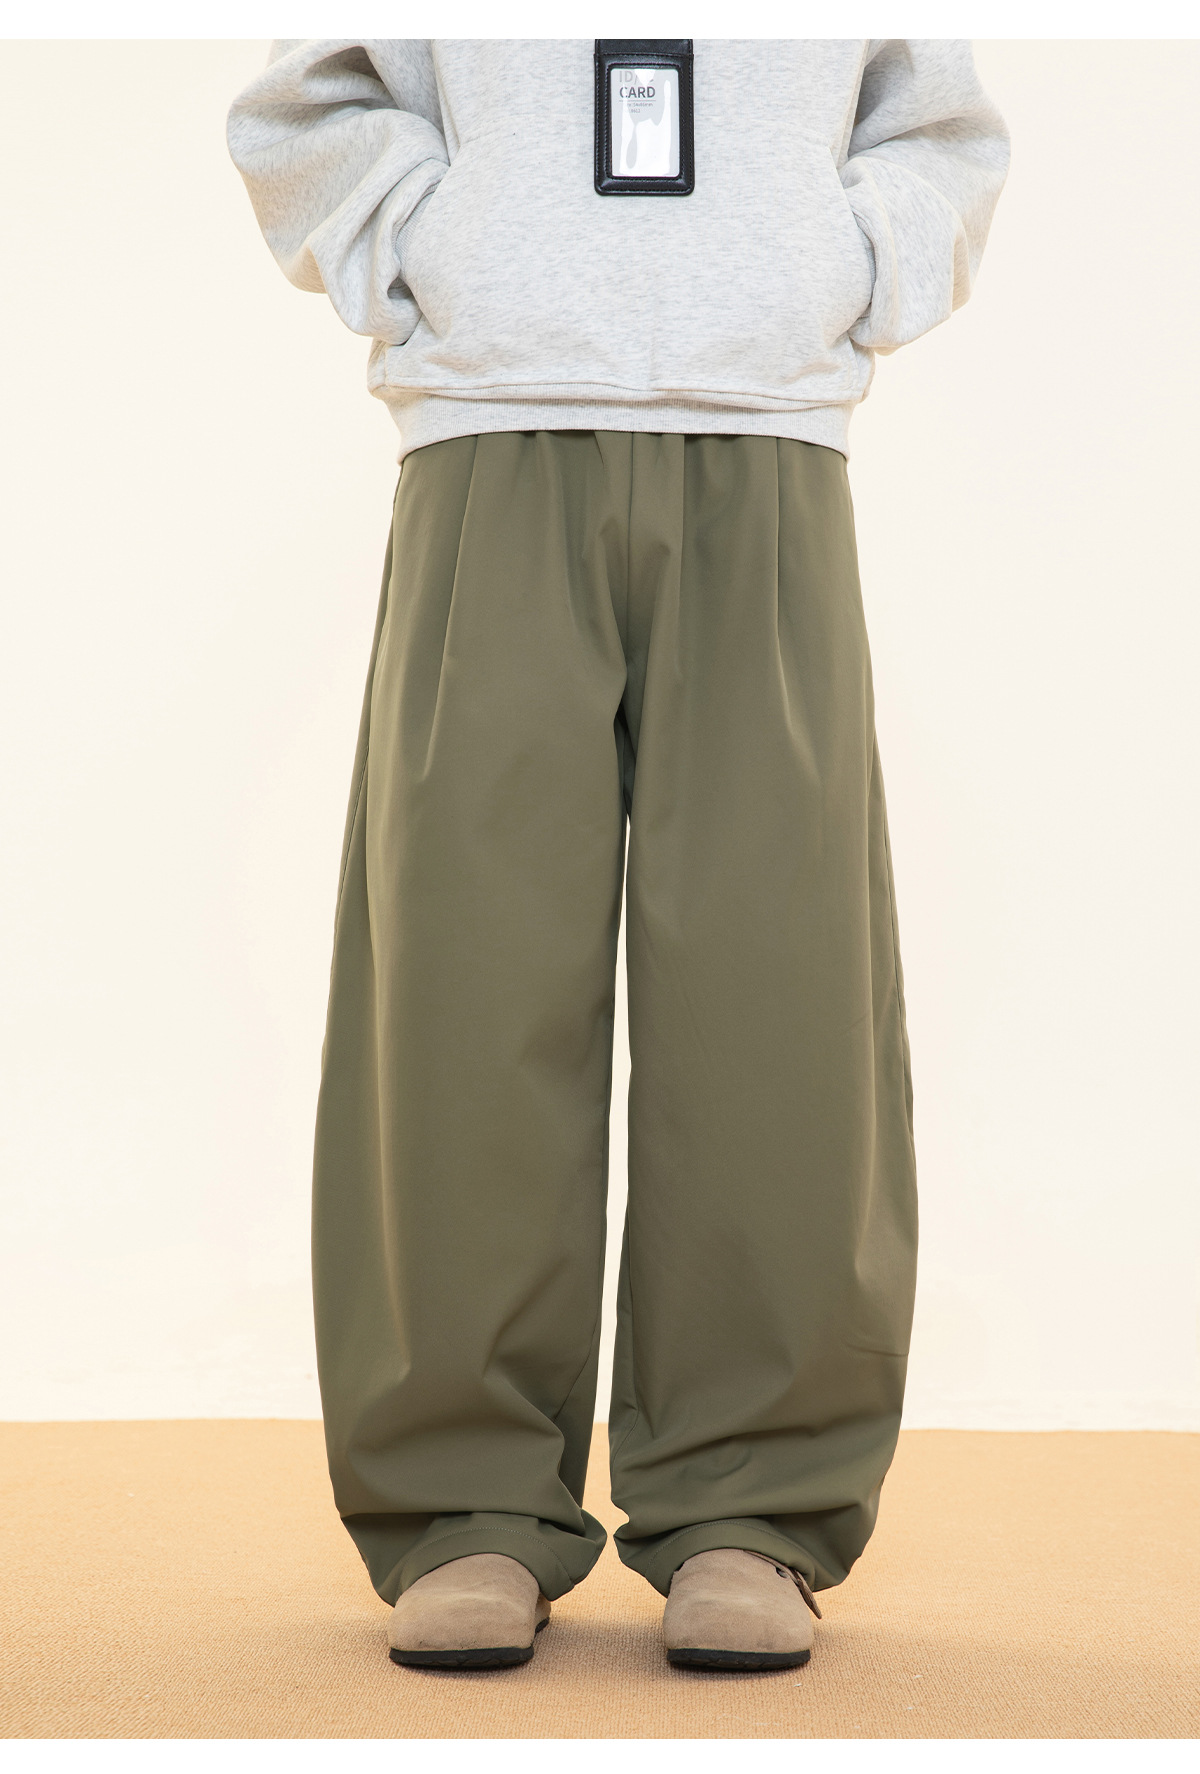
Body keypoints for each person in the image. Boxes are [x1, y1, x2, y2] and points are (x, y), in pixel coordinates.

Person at [228, 38, 1008, 1673]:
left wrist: (835, 260)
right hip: (487, 437)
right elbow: (305, 98)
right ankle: (464, 1503)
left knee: (777, 982)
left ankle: (751, 1503)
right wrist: (446, 251)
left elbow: (935, 120)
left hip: (772, 445)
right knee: (465, 974)